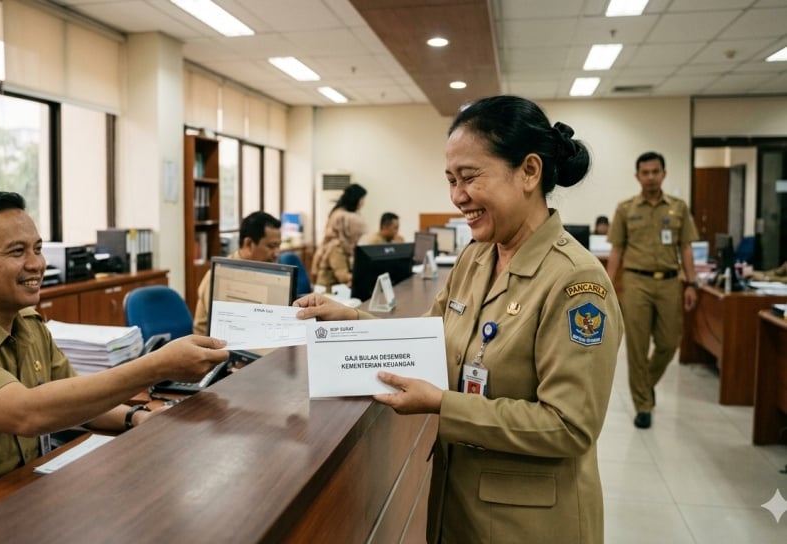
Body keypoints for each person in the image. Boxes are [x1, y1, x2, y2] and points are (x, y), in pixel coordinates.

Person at [295, 95, 622, 543]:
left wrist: (443, 405)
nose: (457, 196)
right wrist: (352, 318)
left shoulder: (575, 281)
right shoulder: (476, 257)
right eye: (451, 180)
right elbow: (429, 338)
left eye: (469, 177)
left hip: (529, 523)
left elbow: (569, 426)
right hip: (460, 503)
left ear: (529, 171)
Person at [0, 192, 229, 523]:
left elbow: (74, 396)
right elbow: (28, 413)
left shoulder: (27, 323)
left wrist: (136, 417)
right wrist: (157, 365)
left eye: (37, 249)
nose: (36, 264)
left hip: (16, 498)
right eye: (17, 251)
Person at [605, 151, 699, 430]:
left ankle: (645, 384)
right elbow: (616, 250)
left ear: (664, 174)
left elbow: (686, 248)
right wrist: (606, 287)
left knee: (670, 343)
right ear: (637, 176)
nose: (650, 177)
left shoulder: (678, 208)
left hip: (670, 281)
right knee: (637, 347)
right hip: (636, 282)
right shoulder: (625, 209)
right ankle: (643, 405)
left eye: (655, 172)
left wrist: (692, 283)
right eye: (645, 173)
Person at [193, 211, 281, 335]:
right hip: (216, 344)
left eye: (278, 246)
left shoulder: (266, 272)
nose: (277, 254)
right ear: (248, 244)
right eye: (271, 246)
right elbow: (228, 329)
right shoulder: (219, 276)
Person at [311, 209, 366, 290]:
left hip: (338, 290)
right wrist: (364, 277)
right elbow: (343, 276)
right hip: (327, 292)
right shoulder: (336, 248)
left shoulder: (346, 246)